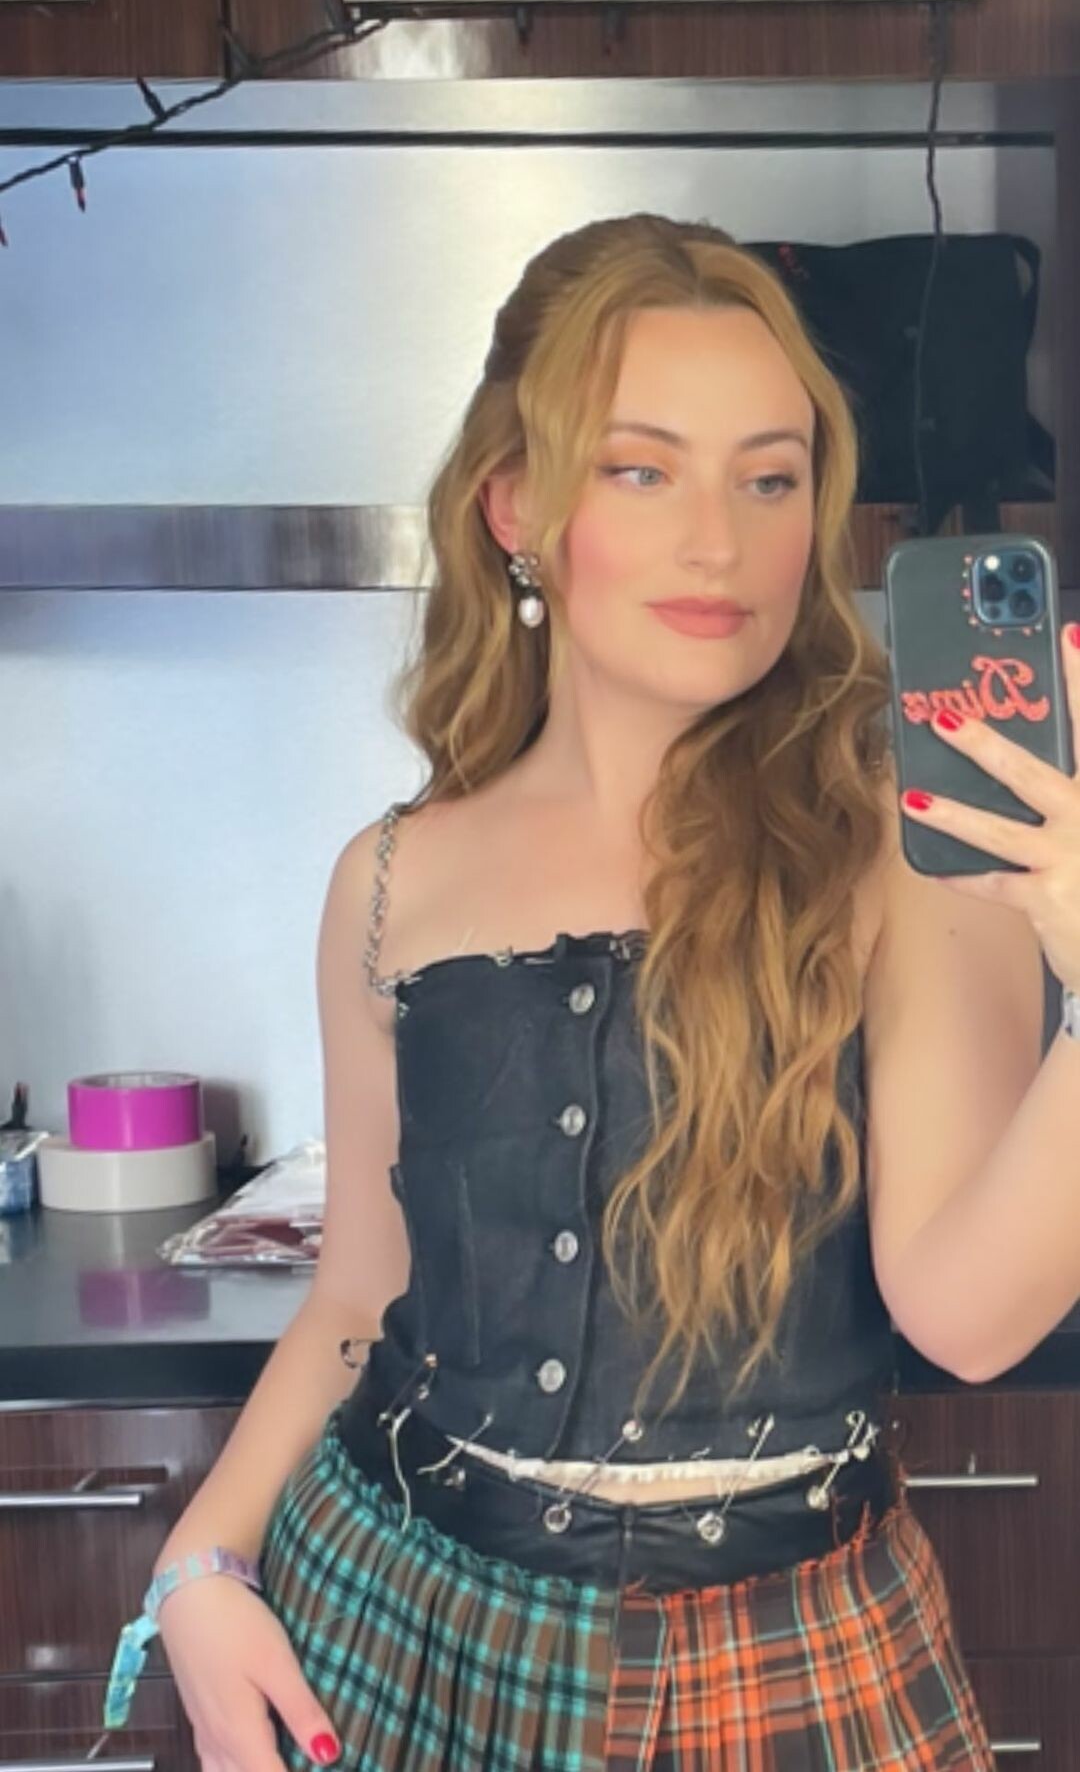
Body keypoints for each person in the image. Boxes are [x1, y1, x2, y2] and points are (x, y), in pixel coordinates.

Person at [104, 212, 1080, 1770]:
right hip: (400, 1626)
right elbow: (359, 1295)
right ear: (518, 504)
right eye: (642, 470)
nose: (721, 541)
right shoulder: (388, 876)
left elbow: (969, 1322)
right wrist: (201, 1564)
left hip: (791, 1661)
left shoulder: (910, 844)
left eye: (770, 479)